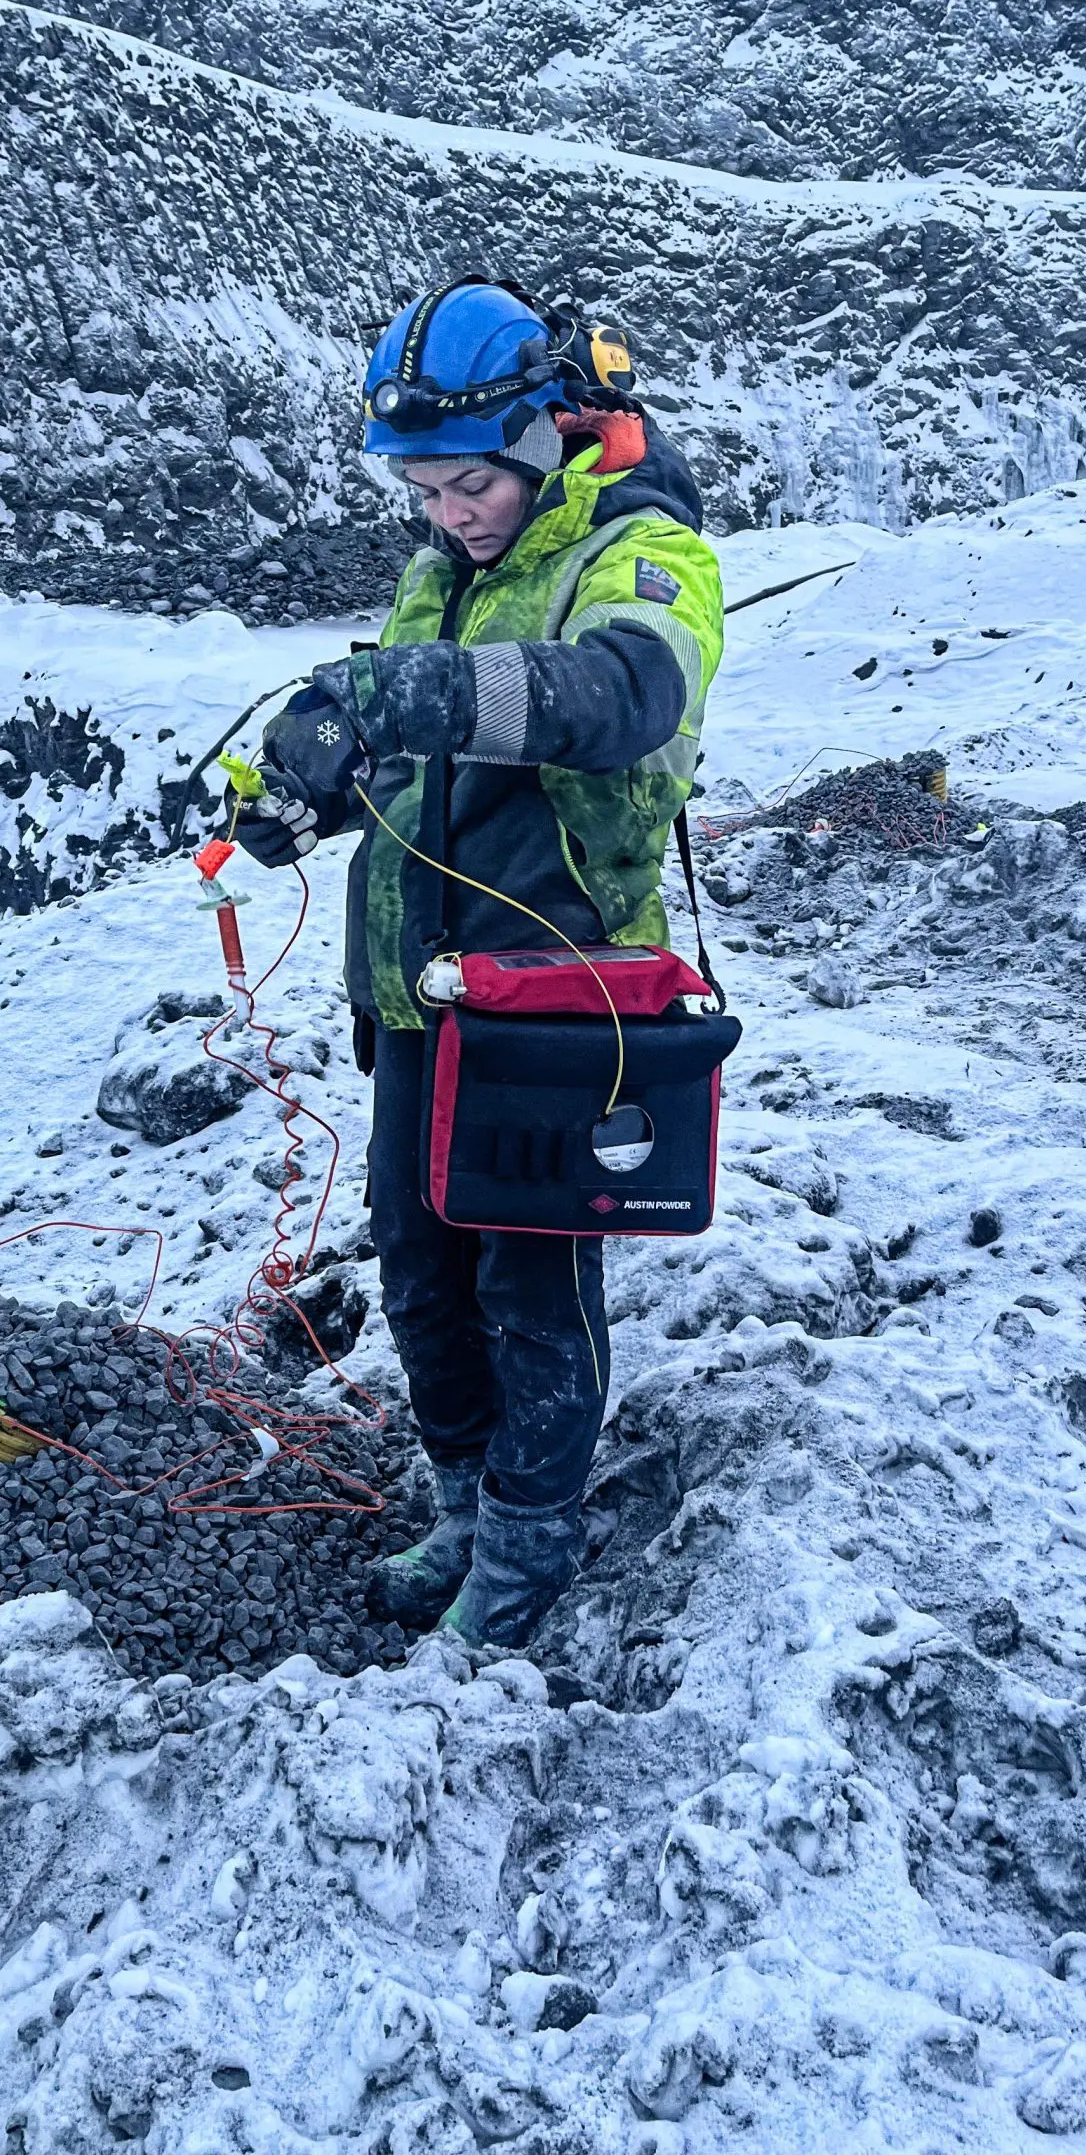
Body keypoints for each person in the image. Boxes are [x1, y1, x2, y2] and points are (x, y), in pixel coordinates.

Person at [231, 278, 723, 1647]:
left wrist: (401, 691)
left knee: (530, 1285)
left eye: (466, 486)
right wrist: (307, 794)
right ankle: (465, 1499)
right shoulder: (437, 576)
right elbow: (409, 755)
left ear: (538, 439)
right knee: (418, 1262)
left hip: (552, 1002)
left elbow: (621, 698)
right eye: (424, 492)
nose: (447, 514)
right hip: (420, 995)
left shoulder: (638, 549)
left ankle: (528, 1540)